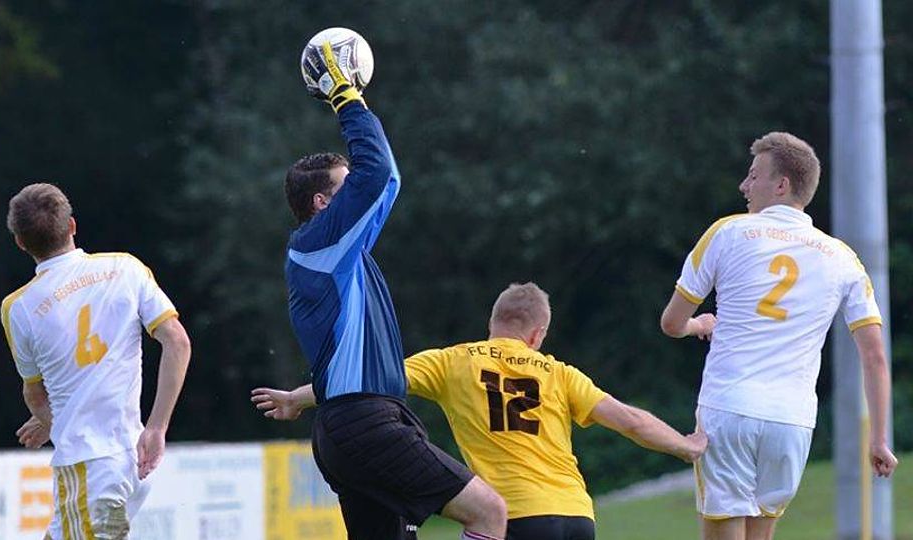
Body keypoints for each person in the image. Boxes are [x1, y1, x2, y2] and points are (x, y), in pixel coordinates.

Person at [254, 282, 708, 540]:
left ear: (493, 323)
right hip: (576, 518)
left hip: (516, 518)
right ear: (538, 333)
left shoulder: (455, 361)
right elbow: (631, 420)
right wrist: (686, 446)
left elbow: (367, 378)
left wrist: (298, 398)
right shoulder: (558, 372)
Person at [280, 36, 506, 540]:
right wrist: (345, 96)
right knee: (489, 511)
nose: (358, 188)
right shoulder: (320, 243)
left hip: (354, 424)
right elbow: (377, 172)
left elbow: (387, 180)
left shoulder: (339, 252)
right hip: (366, 424)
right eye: (346, 184)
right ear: (322, 203)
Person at [659, 132, 898, 540]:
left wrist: (699, 325)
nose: (744, 186)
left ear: (781, 184)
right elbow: (875, 356)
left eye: (753, 176)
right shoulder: (843, 258)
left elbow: (671, 322)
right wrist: (878, 438)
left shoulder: (728, 231)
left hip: (729, 408)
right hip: (791, 420)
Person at [1, 182, 191, 539]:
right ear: (72, 225)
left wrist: (52, 420)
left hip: (89, 465)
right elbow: (177, 342)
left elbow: (36, 395)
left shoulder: (18, 307)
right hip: (132, 455)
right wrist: (157, 427)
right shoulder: (126, 268)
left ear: (20, 243)